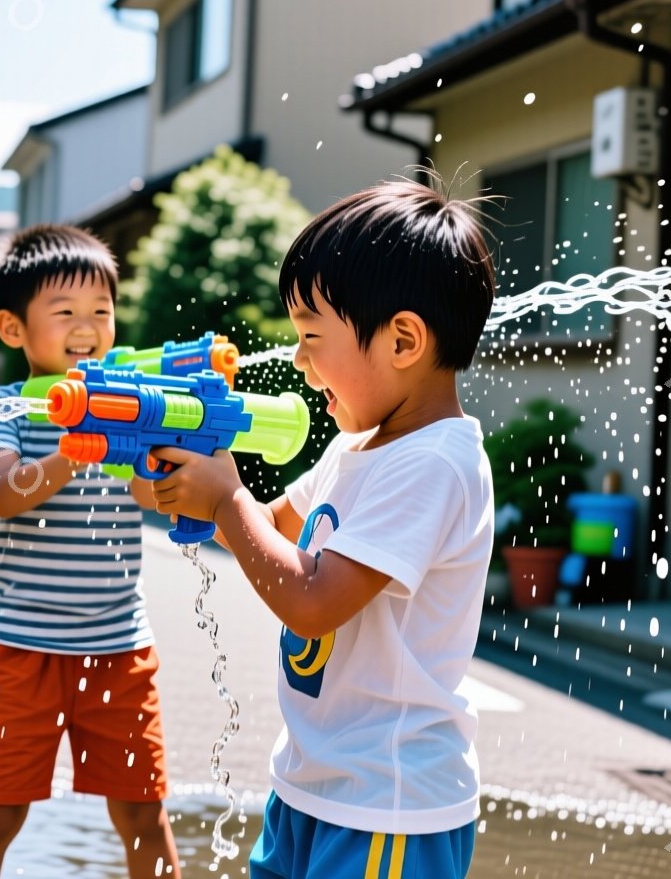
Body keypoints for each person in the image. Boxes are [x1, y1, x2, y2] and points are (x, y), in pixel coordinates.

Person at [148, 178, 498, 879]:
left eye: (312, 338)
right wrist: (177, 474)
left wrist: (224, 501)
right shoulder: (357, 448)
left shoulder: (436, 463)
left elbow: (312, 600)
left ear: (402, 339)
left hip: (387, 804)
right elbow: (273, 529)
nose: (301, 363)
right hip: (314, 782)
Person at [0, 225, 178, 879]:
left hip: (119, 646)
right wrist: (75, 446)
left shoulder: (128, 404)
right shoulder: (7, 406)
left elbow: (149, 493)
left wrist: (162, 452)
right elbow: (3, 493)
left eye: (101, 312)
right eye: (66, 312)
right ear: (13, 329)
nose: (88, 326)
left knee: (142, 812)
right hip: (23, 650)